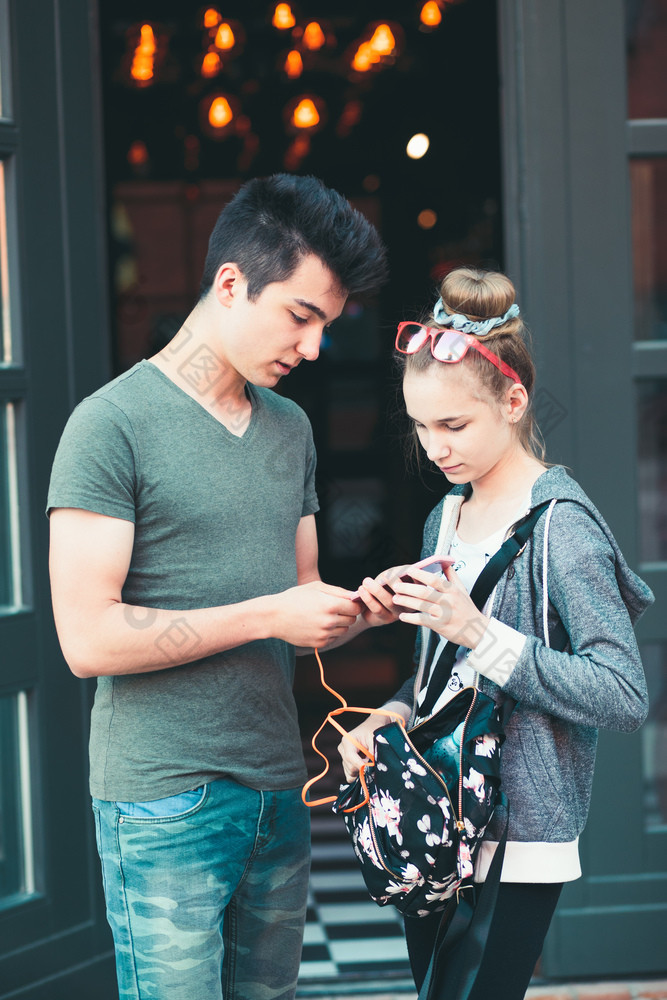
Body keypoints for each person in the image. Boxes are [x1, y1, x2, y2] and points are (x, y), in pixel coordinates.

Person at [47, 173, 389, 1000]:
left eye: (326, 326)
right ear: (231, 284)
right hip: (163, 801)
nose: (312, 349)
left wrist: (365, 607)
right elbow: (86, 641)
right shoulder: (110, 424)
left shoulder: (289, 427)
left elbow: (297, 601)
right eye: (300, 317)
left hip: (278, 784)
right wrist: (269, 611)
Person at [338, 267, 652, 1000]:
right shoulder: (444, 514)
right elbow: (443, 677)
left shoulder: (561, 528)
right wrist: (391, 713)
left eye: (453, 425)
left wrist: (479, 632)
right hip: (434, 810)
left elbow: (624, 693)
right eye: (419, 426)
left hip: (520, 830)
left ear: (513, 401)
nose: (434, 447)